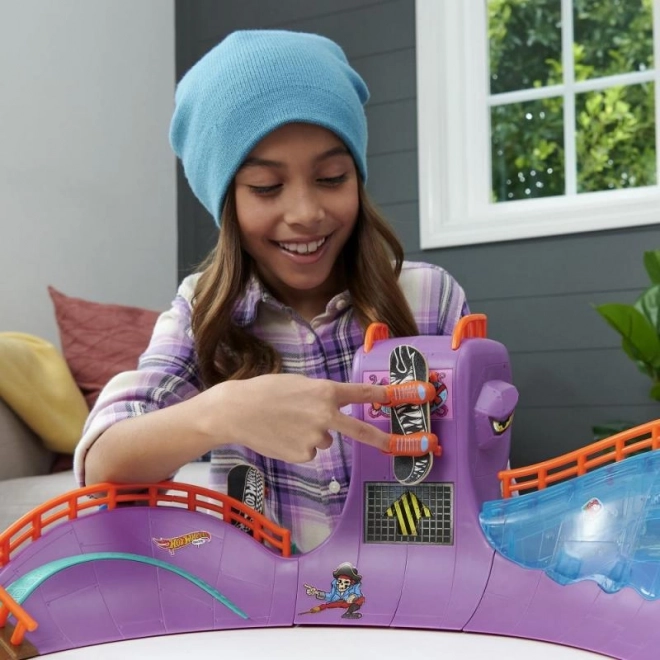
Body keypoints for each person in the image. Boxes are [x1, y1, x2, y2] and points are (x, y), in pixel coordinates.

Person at [73, 29, 468, 553]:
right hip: (264, 597)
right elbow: (102, 463)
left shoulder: (431, 297)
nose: (305, 213)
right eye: (266, 187)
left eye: (332, 177)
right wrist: (224, 411)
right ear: (226, 202)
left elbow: (475, 463)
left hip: (418, 583)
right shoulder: (203, 311)